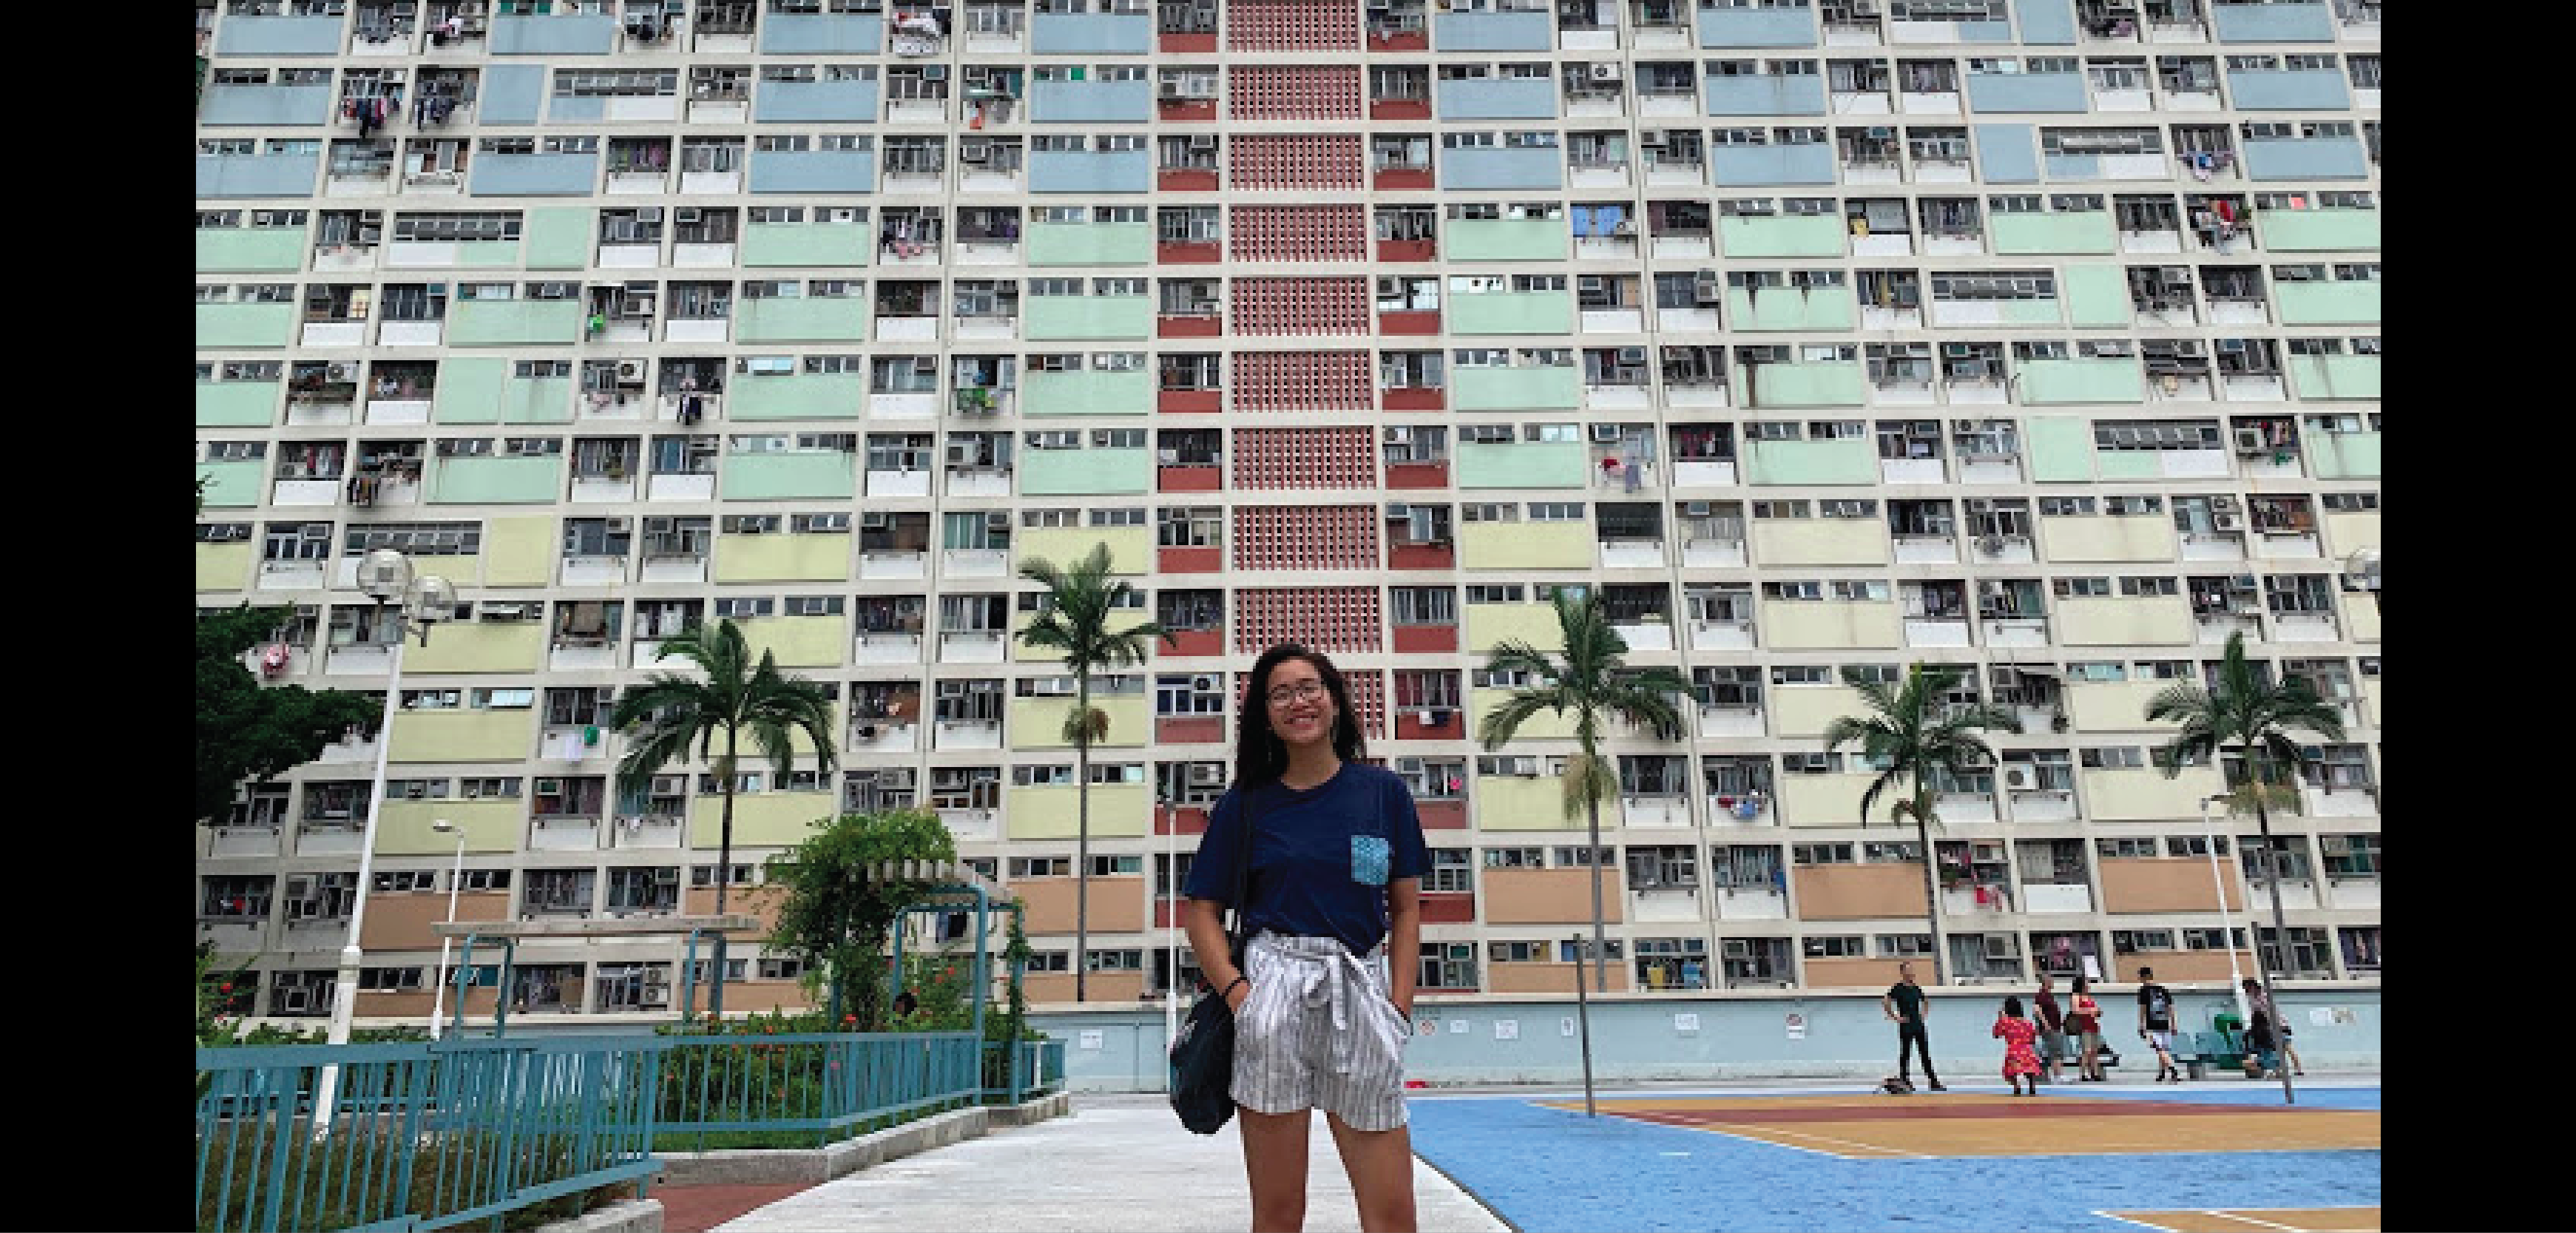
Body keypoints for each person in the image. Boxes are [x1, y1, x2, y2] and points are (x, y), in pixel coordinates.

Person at [1183, 643, 1430, 1233]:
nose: (1298, 701)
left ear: (1335, 699)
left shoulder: (1382, 794)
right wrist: (1245, 998)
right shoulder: (1244, 805)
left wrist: (1398, 1006)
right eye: (1280, 693)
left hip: (1359, 987)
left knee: (1393, 1213)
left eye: (1309, 687)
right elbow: (1200, 911)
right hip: (1274, 988)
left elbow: (1405, 909)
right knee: (1277, 1214)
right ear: (1264, 714)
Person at [1880, 962, 1945, 1092]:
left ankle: (1933, 1082)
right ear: (1903, 972)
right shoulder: (1898, 988)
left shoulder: (1916, 988)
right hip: (1906, 1024)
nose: (1911, 973)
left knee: (1925, 1053)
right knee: (1905, 1053)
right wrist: (1894, 1016)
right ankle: (1905, 1081)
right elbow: (1885, 1001)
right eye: (1908, 970)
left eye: (1912, 970)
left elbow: (1926, 1001)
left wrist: (1924, 1013)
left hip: (1918, 1024)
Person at [2135, 966, 2179, 1083]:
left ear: (2144, 977)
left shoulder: (2143, 991)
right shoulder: (2163, 989)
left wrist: (2141, 1025)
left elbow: (2143, 1009)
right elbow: (2170, 1008)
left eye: (2139, 976)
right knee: (2163, 1049)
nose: (2139, 979)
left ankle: (2173, 1069)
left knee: (2158, 1049)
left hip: (2152, 1024)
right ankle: (2162, 1073)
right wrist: (2174, 1024)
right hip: (2165, 1022)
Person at [1993, 996, 2041, 1097]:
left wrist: (2000, 1017)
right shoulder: (2027, 1023)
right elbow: (2033, 1038)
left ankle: (2017, 1086)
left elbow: (1996, 1034)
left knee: (2010, 1072)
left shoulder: (2006, 1022)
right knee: (2030, 1071)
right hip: (2027, 1050)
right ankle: (2032, 1087)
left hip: (2013, 1050)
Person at [2068, 975, 2106, 1081]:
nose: (2088, 985)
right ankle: (2083, 1074)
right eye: (2086, 983)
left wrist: (2098, 1012)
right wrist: (2090, 1011)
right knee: (2086, 1050)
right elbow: (2075, 1011)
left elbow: (2095, 1009)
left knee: (2094, 1051)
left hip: (2093, 1025)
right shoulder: (2076, 996)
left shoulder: (2088, 997)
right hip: (2083, 1025)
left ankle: (2095, 1073)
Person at [2033, 973, 2066, 1085]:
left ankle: (2059, 1075)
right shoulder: (2041, 995)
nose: (2053, 983)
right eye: (2051, 981)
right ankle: (2059, 1076)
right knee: (2055, 1051)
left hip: (2055, 1028)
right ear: (2046, 982)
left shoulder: (2048, 995)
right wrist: (2046, 1024)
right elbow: (2036, 1010)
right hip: (2050, 1029)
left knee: (2057, 1051)